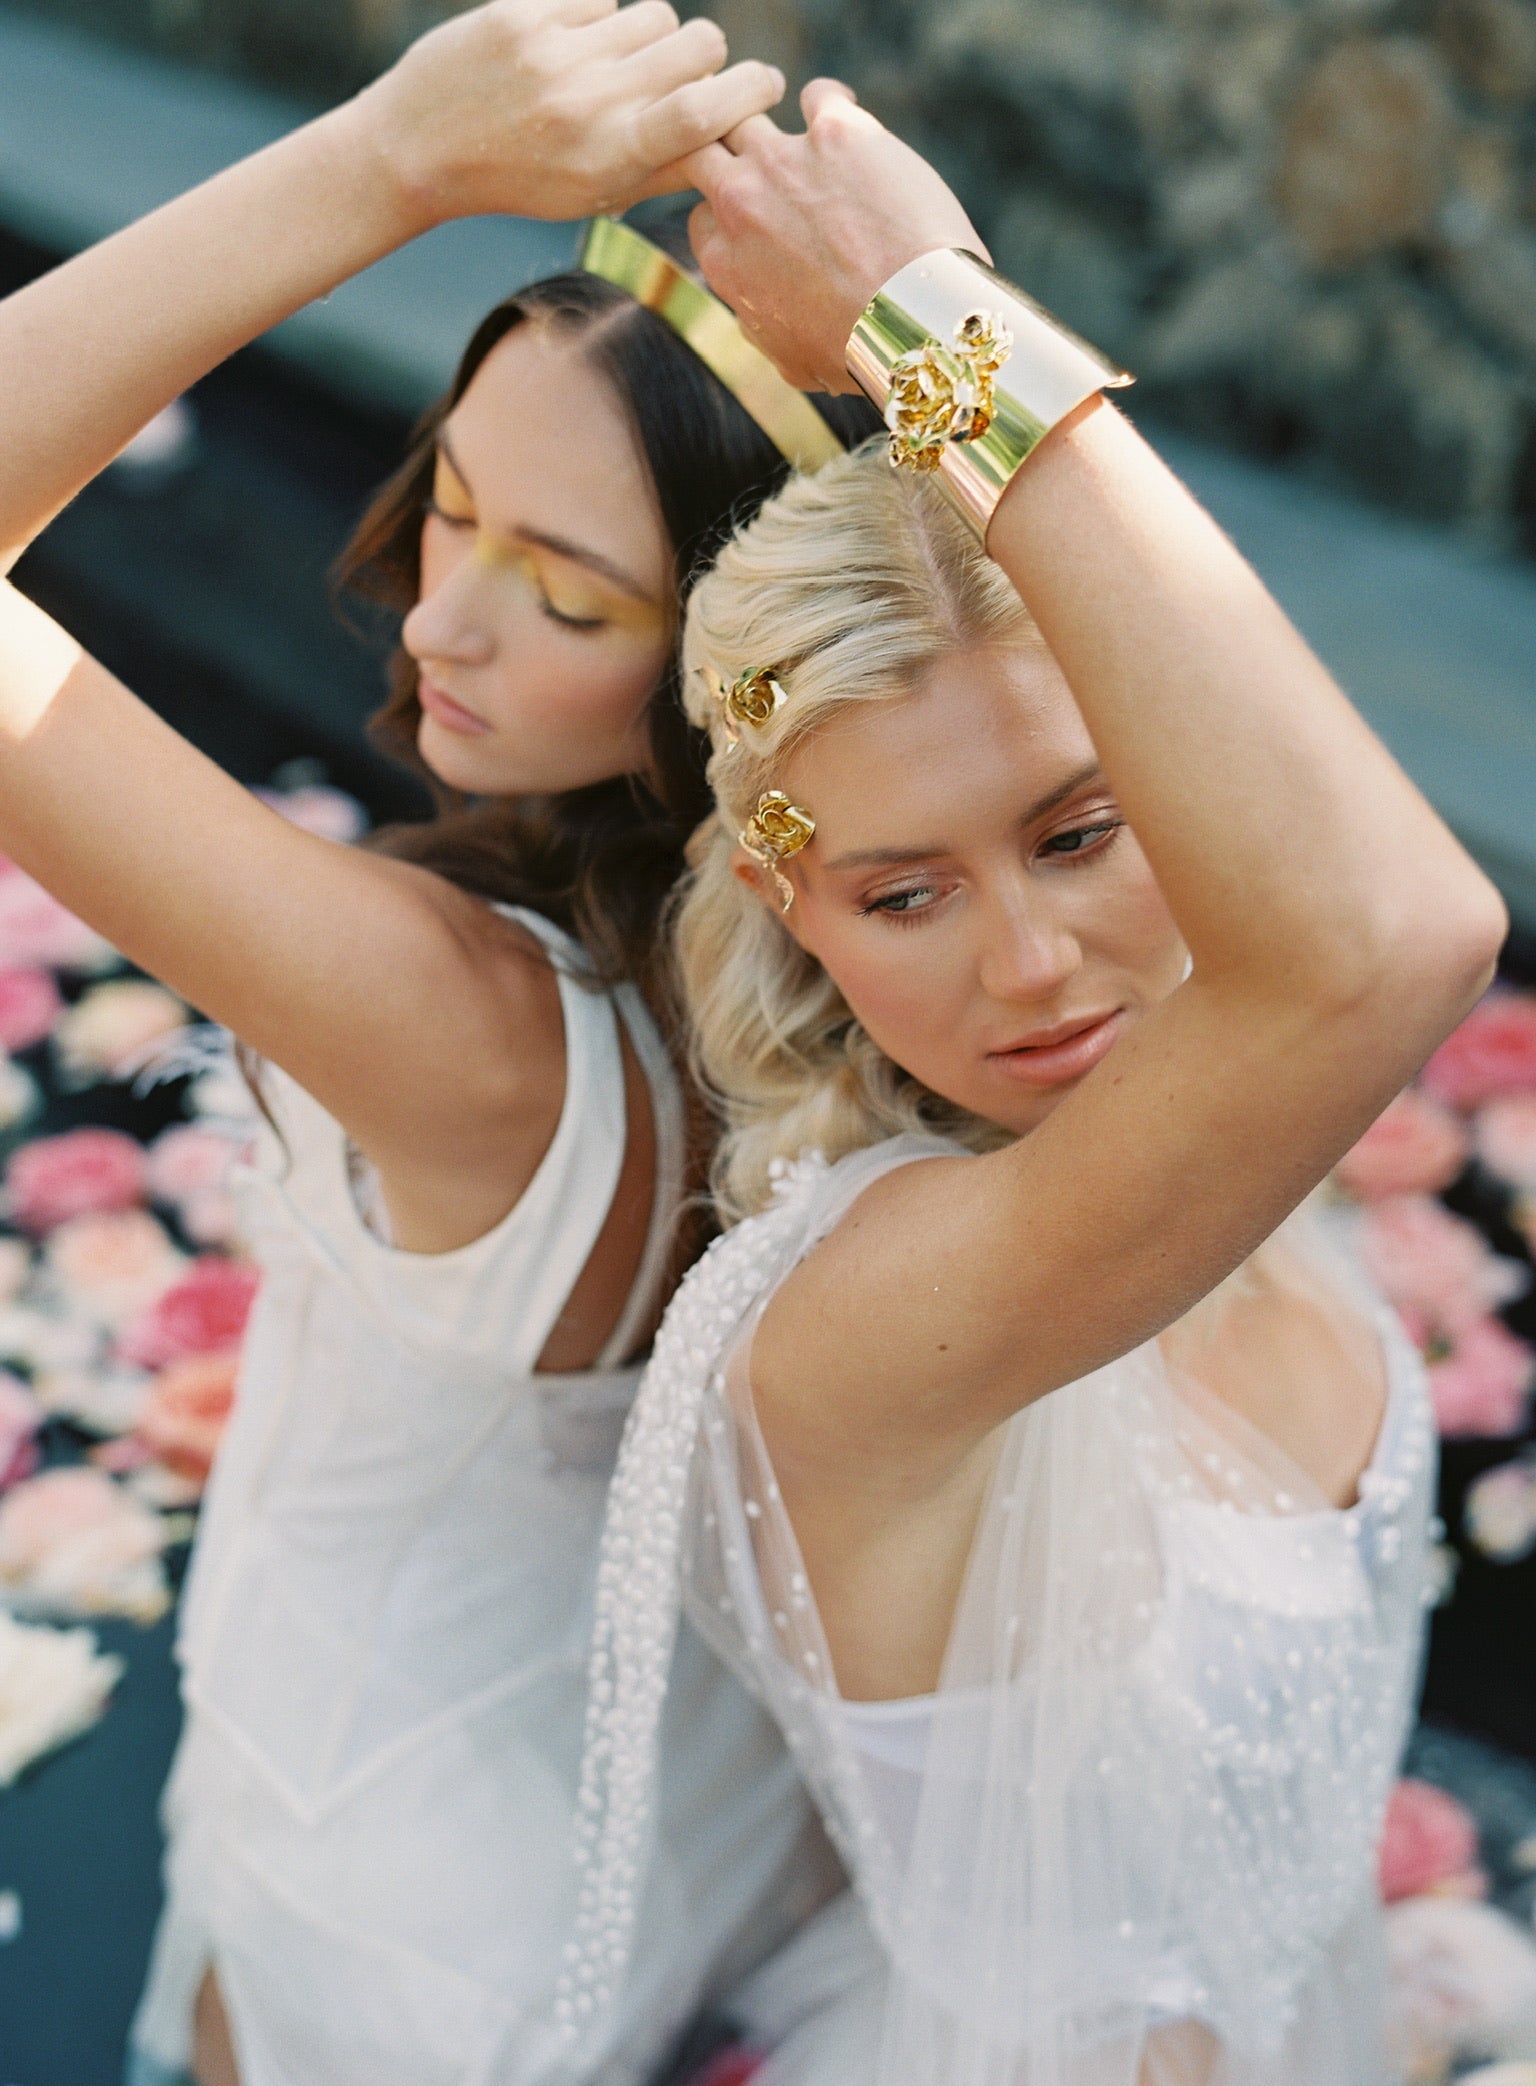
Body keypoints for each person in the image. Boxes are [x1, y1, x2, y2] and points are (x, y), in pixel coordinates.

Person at [564, 85, 1510, 2086]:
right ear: (785, 904)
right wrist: (923, 310)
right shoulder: (870, 1311)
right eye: (903, 890)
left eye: (1083, 832)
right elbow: (1401, 927)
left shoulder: (1206, 1094)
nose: (1030, 968)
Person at [0, 12, 882, 2084]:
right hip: (649, 1831)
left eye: (569, 599)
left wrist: (385, 155)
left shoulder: (465, 1026)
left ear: (739, 680)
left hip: (370, 1899)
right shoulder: (862, 980)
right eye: (456, 507)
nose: (438, 623)